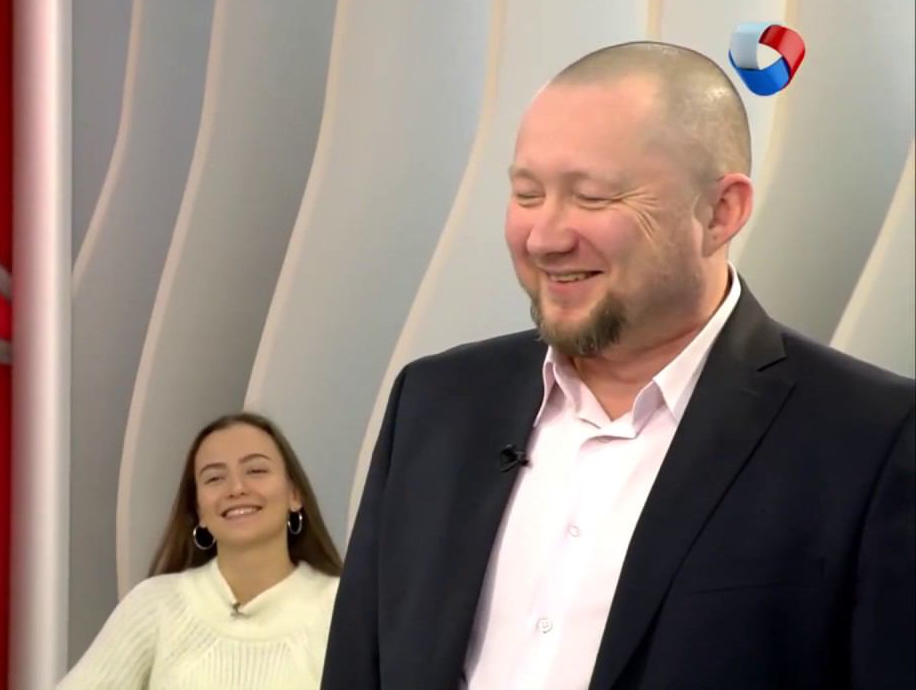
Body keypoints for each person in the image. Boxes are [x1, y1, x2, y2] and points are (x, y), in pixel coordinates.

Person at [322, 41, 915, 690]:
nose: (545, 237)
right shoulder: (434, 403)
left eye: (593, 198)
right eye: (527, 193)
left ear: (720, 212)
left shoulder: (870, 438)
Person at [58, 412, 342, 689]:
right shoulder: (155, 605)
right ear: (199, 510)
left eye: (256, 470)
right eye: (214, 478)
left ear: (295, 494)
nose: (237, 488)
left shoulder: (342, 608)